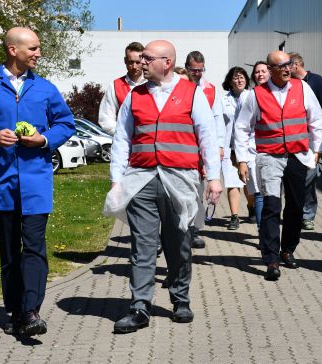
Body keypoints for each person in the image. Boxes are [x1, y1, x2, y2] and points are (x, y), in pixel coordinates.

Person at [0, 27, 75, 336]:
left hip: (36, 183)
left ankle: (31, 311)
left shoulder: (46, 88)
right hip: (1, 183)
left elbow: (66, 123)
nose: (38, 53)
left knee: (34, 246)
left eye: (38, 47)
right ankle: (15, 309)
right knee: (9, 251)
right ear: (13, 50)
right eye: (33, 48)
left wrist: (44, 139)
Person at [104, 40, 222, 334]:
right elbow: (122, 140)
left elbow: (208, 137)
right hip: (141, 179)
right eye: (141, 58)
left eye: (147, 58)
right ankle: (140, 306)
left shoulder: (192, 94)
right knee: (142, 245)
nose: (141, 63)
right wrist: (117, 179)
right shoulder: (134, 96)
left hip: (180, 179)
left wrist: (215, 178)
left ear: (167, 62)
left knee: (178, 244)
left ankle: (180, 299)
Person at [235, 51, 322, 281]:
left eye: (289, 65)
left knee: (296, 205)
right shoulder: (256, 95)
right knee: (271, 206)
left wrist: (317, 150)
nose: (287, 69)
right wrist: (243, 160)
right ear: (271, 69)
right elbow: (242, 128)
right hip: (269, 156)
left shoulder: (302, 88)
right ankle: (271, 257)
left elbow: (315, 120)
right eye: (282, 66)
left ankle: (288, 249)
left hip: (298, 155)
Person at [184, 51, 225, 245]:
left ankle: (193, 231)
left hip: (202, 149)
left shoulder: (211, 90)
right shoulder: (178, 87)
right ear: (186, 67)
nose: (198, 74)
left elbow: (217, 120)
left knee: (198, 192)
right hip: (182, 145)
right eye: (194, 70)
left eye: (201, 70)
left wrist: (220, 145)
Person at [289, 52, 322, 231]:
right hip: (295, 139)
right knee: (295, 179)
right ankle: (295, 212)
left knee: (309, 178)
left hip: (312, 139)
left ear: (296, 64)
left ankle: (307, 215)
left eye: (288, 65)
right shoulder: (289, 84)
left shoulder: (316, 81)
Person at [221, 67, 249, 230]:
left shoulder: (252, 97)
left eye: (242, 77)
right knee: (232, 181)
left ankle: (252, 207)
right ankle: (234, 216)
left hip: (248, 147)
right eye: (236, 78)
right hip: (229, 147)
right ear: (230, 81)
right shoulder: (223, 100)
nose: (239, 80)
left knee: (249, 183)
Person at [244, 61, 270, 230]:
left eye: (263, 71)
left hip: (274, 150)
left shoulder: (278, 93)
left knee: (272, 194)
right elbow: (242, 126)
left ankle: (270, 229)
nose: (260, 74)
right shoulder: (250, 96)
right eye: (257, 72)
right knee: (259, 192)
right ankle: (263, 233)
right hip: (253, 149)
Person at [98, 42, 146, 135]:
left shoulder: (152, 83)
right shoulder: (115, 86)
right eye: (131, 62)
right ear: (125, 61)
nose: (134, 66)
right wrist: (124, 134)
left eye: (137, 62)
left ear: (143, 61)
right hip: (124, 144)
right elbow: (105, 119)